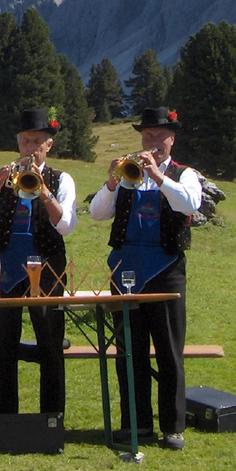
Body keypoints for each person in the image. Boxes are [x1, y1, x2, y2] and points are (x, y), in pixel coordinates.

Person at [88, 106, 202, 450]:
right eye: (147, 136)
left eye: (159, 136)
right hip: (126, 271)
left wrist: (159, 178)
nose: (152, 142)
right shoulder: (127, 173)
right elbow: (97, 212)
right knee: (129, 353)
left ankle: (172, 426)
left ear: (172, 139)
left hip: (166, 270)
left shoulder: (185, 174)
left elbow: (189, 205)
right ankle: (135, 425)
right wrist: (111, 182)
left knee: (169, 351)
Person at [0, 107, 77, 416]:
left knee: (50, 344)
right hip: (5, 267)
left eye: (36, 142)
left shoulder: (62, 179)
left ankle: (52, 416)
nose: (30, 148)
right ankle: (4, 416)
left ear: (49, 145)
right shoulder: (5, 176)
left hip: (47, 267)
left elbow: (66, 225)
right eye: (25, 141)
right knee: (3, 344)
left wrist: (44, 191)